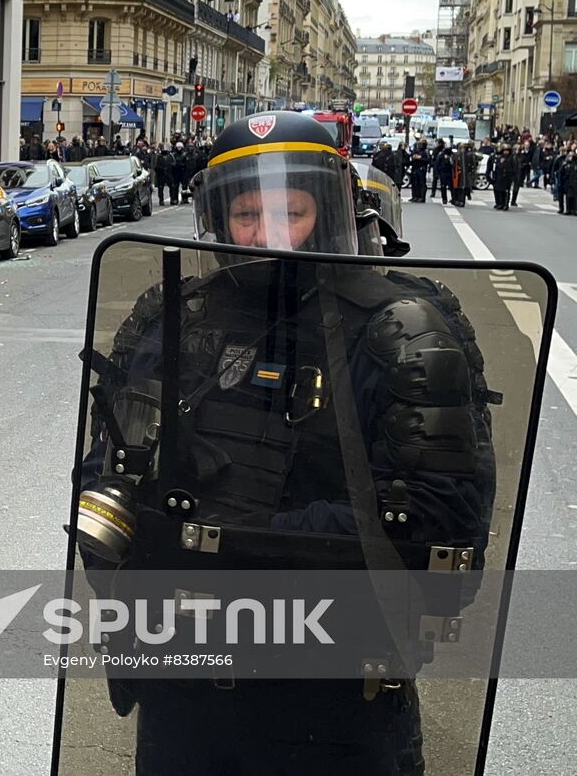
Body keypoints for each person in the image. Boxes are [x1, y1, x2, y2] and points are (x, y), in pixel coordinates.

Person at [76, 111, 494, 773]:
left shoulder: (403, 332)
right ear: (217, 218)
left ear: (331, 209)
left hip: (337, 709)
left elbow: (441, 527)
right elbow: (100, 476)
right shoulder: (170, 319)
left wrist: (226, 551)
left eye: (292, 210)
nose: (269, 231)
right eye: (248, 213)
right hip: (186, 701)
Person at [490, 144, 515, 211]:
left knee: (506, 192)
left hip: (507, 177)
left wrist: (513, 177)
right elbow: (496, 167)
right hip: (499, 177)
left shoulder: (511, 158)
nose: (506, 152)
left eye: (507, 151)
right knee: (499, 191)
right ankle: (500, 203)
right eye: (504, 151)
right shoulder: (499, 158)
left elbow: (514, 168)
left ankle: (506, 205)